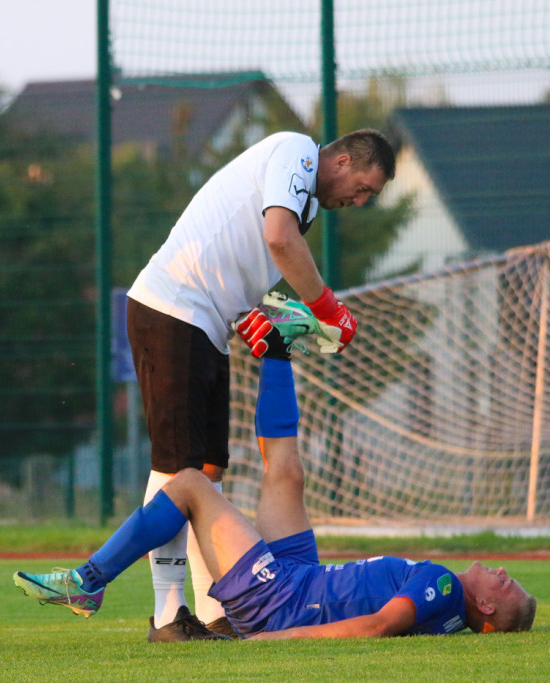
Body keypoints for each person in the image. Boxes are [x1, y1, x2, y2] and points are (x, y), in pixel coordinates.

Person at [14, 323, 537, 639]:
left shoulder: (444, 586)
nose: (501, 570)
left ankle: (89, 581)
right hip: (302, 577)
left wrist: (279, 638)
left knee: (192, 483)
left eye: (504, 583)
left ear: (486, 607)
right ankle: (278, 344)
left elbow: (374, 628)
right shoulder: (444, 611)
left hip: (284, 601)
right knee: (287, 474)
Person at [125, 128, 395, 640]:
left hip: (207, 320)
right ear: (339, 160)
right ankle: (166, 613)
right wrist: (327, 309)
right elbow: (277, 239)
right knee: (177, 468)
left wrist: (262, 312)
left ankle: (210, 611)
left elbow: (250, 250)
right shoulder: (295, 149)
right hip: (173, 307)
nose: (359, 202)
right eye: (363, 188)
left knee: (207, 471)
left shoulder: (305, 203)